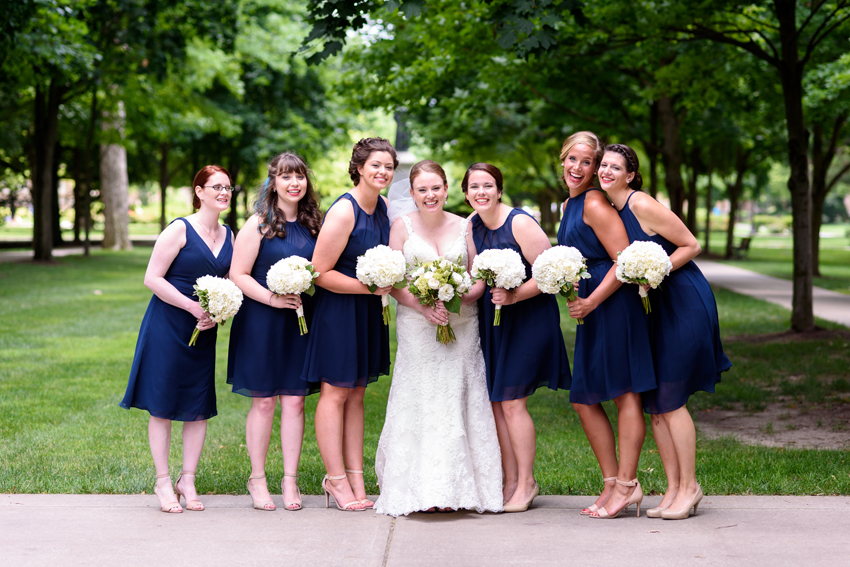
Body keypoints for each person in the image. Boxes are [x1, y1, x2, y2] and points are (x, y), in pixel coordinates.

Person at [601, 143, 732, 520]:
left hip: (683, 301)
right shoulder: (611, 209)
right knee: (655, 404)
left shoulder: (640, 203)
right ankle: (673, 489)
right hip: (653, 306)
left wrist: (655, 270)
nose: (607, 171)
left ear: (631, 174)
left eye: (616, 167)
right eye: (604, 165)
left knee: (672, 400)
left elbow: (692, 244)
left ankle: (690, 487)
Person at [374, 160, 503, 516]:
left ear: (446, 189)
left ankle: (461, 487)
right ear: (412, 194)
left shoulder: (466, 226)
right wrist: (424, 306)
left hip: (462, 323)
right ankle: (420, 489)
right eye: (422, 190)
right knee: (421, 398)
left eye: (436, 188)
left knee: (459, 398)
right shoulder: (401, 226)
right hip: (417, 325)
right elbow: (393, 279)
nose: (429, 195)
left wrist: (459, 297)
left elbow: (478, 276)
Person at [120, 165, 234, 513]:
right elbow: (152, 278)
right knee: (164, 403)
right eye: (216, 186)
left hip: (204, 329)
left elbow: (229, 280)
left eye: (228, 187)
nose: (224, 192)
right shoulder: (179, 230)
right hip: (169, 324)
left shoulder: (230, 234)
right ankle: (163, 481)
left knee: (197, 406)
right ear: (199, 191)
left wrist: (217, 313)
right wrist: (191, 307)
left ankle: (188, 478)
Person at [556, 132, 656, 519]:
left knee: (625, 393)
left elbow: (625, 259)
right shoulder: (570, 204)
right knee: (584, 399)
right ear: (563, 159)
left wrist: (592, 300)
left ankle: (627, 485)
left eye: (587, 162)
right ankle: (612, 482)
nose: (578, 168)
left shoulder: (595, 203)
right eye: (572, 159)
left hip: (614, 306)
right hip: (592, 308)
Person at [466, 162, 571, 513]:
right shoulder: (473, 226)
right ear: (466, 193)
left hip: (528, 318)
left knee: (512, 402)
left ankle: (527, 482)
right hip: (493, 321)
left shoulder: (520, 222)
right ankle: (509, 480)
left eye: (488, 185)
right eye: (474, 187)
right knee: (497, 401)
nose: (481, 192)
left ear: (499, 189)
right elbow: (475, 278)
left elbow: (550, 274)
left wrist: (513, 296)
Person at [301, 138, 396, 511]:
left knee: (357, 393)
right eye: (375, 165)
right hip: (339, 310)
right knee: (336, 393)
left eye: (388, 166)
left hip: (368, 311)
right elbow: (318, 272)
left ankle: (356, 477)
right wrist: (369, 287)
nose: (382, 172)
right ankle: (334, 478)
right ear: (358, 167)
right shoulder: (345, 210)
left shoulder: (384, 207)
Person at [228, 153, 322, 512]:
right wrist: (272, 298)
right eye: (286, 177)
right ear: (274, 182)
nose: (294, 183)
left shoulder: (315, 224)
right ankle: (257, 479)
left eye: (299, 176)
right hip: (261, 321)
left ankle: (290, 480)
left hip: (300, 321)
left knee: (295, 401)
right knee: (265, 400)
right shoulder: (258, 224)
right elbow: (238, 274)